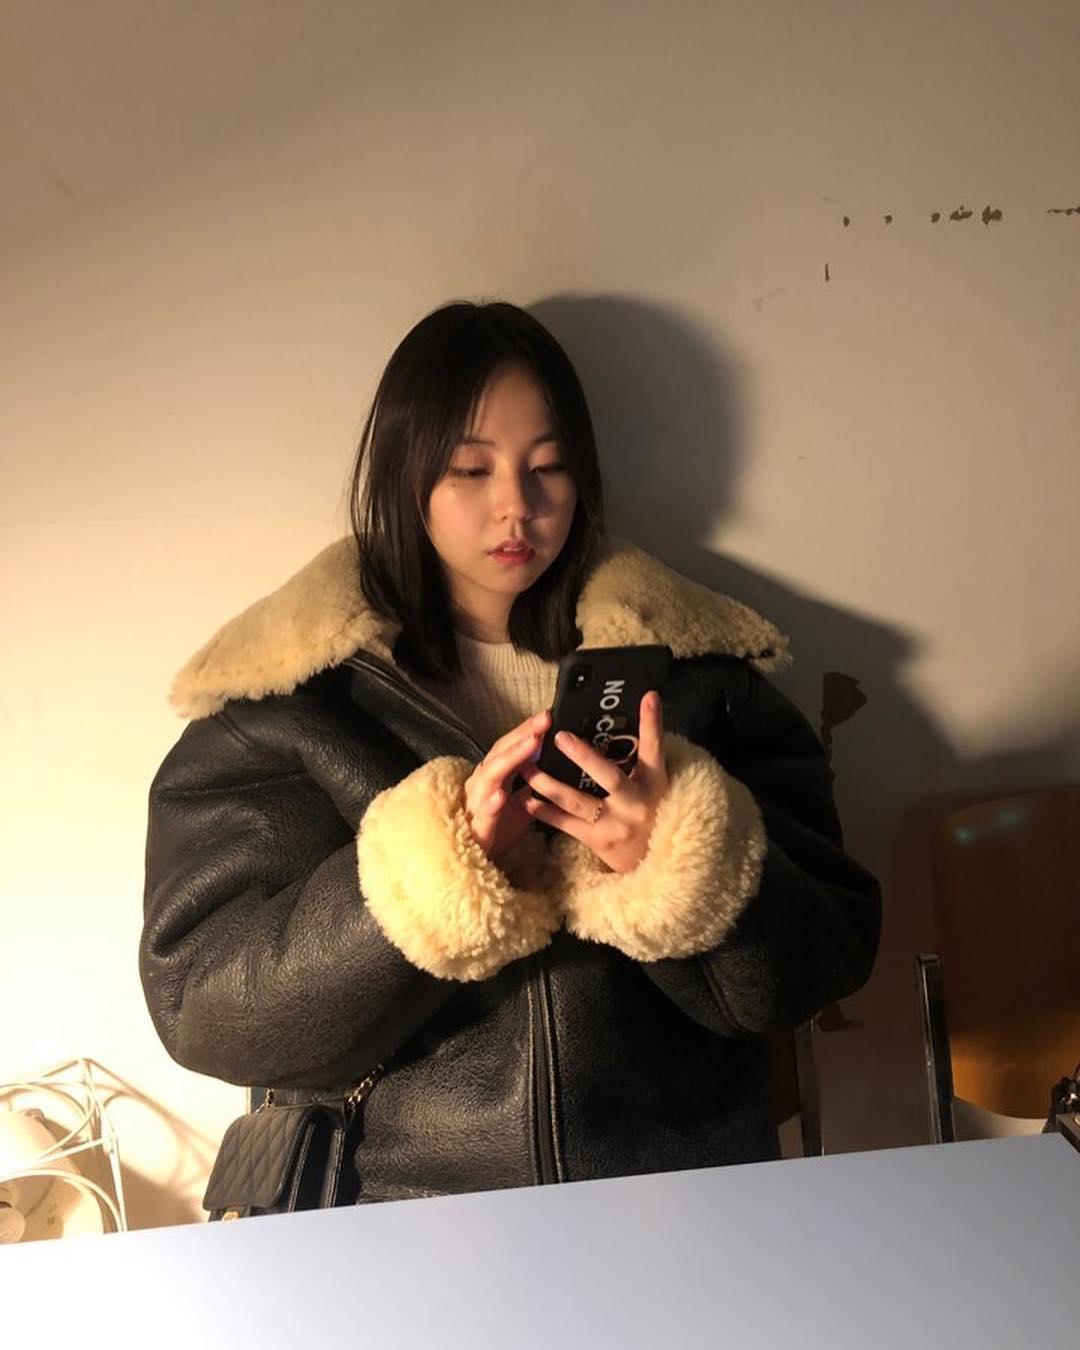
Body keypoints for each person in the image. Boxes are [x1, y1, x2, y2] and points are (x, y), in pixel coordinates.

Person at [140, 299, 882, 1205]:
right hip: (401, 1215)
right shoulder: (293, 703)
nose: (516, 507)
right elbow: (205, 1008)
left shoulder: (697, 681)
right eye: (470, 469)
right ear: (405, 474)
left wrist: (681, 855)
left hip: (673, 1204)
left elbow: (821, 967)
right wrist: (433, 876)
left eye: (548, 467)